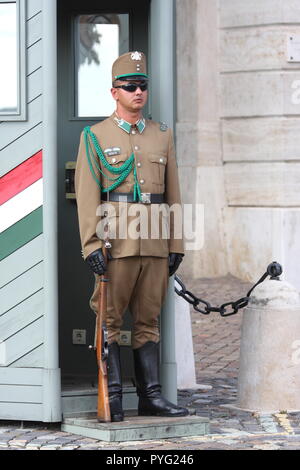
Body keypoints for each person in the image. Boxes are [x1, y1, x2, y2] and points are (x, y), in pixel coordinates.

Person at [75, 51, 188, 422]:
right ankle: (114, 397)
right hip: (116, 244)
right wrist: (91, 243)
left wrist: (176, 244)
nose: (138, 92)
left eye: (142, 86)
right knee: (109, 320)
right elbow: (89, 195)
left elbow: (173, 193)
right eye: (130, 86)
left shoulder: (162, 135)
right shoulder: (95, 137)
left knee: (148, 320)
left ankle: (151, 397)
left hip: (155, 242)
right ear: (114, 92)